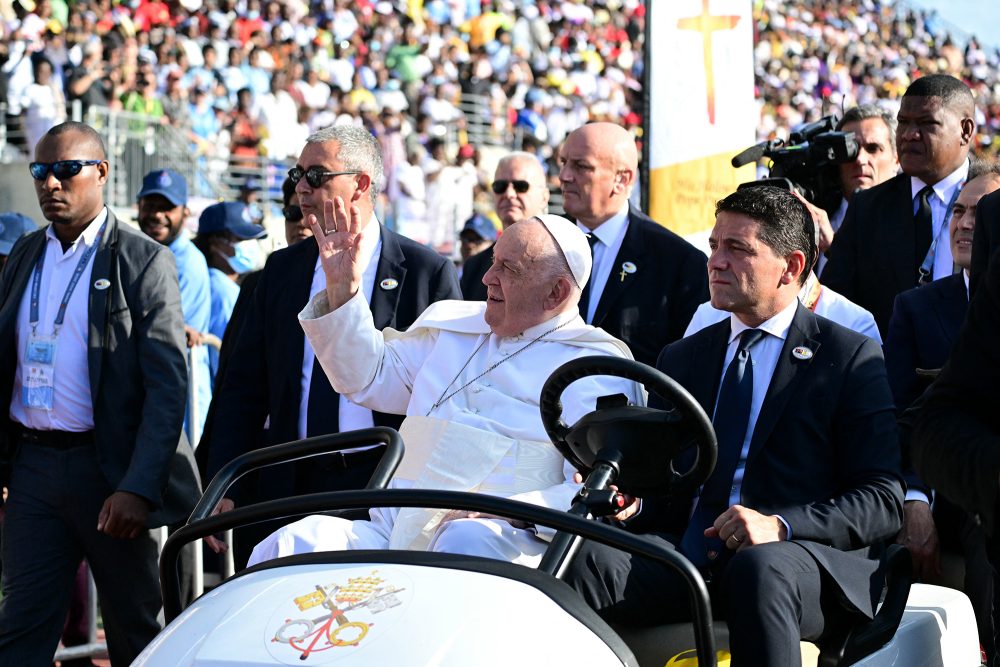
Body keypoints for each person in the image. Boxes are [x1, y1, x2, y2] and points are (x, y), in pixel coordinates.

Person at [564, 186, 904, 666]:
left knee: (758, 568)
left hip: (796, 558)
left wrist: (780, 526)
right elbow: (661, 492)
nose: (716, 262)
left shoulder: (847, 356)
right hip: (691, 555)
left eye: (738, 249)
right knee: (577, 556)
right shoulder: (682, 357)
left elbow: (882, 500)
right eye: (714, 246)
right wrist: (630, 503)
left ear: (791, 267)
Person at [247, 213, 641, 567]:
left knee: (463, 541)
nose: (488, 278)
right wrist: (343, 291)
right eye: (493, 262)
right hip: (395, 530)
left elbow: (593, 490)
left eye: (509, 269)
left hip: (504, 540)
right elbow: (366, 378)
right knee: (291, 543)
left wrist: (511, 512)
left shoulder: (594, 367)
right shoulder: (453, 329)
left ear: (556, 292)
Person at [204, 126, 461, 568]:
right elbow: (244, 386)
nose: (300, 188)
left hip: (382, 485)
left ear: (360, 183)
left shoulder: (425, 272)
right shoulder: (282, 270)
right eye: (297, 174)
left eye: (316, 176)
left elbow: (449, 392)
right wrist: (225, 480)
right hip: (286, 476)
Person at [0, 121, 191, 665]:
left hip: (108, 472)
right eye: (41, 171)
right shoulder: (24, 254)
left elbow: (167, 386)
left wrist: (138, 486)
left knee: (137, 630)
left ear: (101, 172)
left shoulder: (143, 260)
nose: (50, 184)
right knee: (21, 627)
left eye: (66, 170)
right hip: (33, 469)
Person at [884, 163, 1000, 655]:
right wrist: (917, 496)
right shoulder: (917, 306)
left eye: (979, 213)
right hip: (953, 490)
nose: (967, 223)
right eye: (958, 210)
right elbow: (910, 417)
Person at [823, 74, 976, 335]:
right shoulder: (866, 208)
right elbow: (834, 308)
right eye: (903, 123)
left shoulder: (993, 201)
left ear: (965, 130)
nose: (909, 135)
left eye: (927, 123)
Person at [558, 122, 708, 365]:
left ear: (622, 178)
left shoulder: (680, 263)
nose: (564, 176)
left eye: (581, 166)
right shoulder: (542, 241)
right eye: (563, 162)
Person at [136, 168, 212, 439]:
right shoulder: (139, 251)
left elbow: (169, 333)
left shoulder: (187, 262)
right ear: (139, 206)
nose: (157, 215)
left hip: (180, 393)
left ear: (185, 212)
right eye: (151, 205)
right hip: (150, 390)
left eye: (167, 207)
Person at [816, 105, 900, 274]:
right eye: (850, 149)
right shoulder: (819, 211)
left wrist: (833, 247)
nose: (860, 159)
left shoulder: (911, 217)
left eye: (873, 149)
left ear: (896, 160)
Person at [192, 201, 266, 382]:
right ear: (214, 243)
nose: (250, 245)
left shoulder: (212, 280)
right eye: (240, 239)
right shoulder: (223, 290)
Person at [461, 151, 550, 301]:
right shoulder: (474, 267)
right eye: (500, 186)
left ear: (544, 197)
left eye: (520, 186)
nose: (509, 194)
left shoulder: (563, 260)